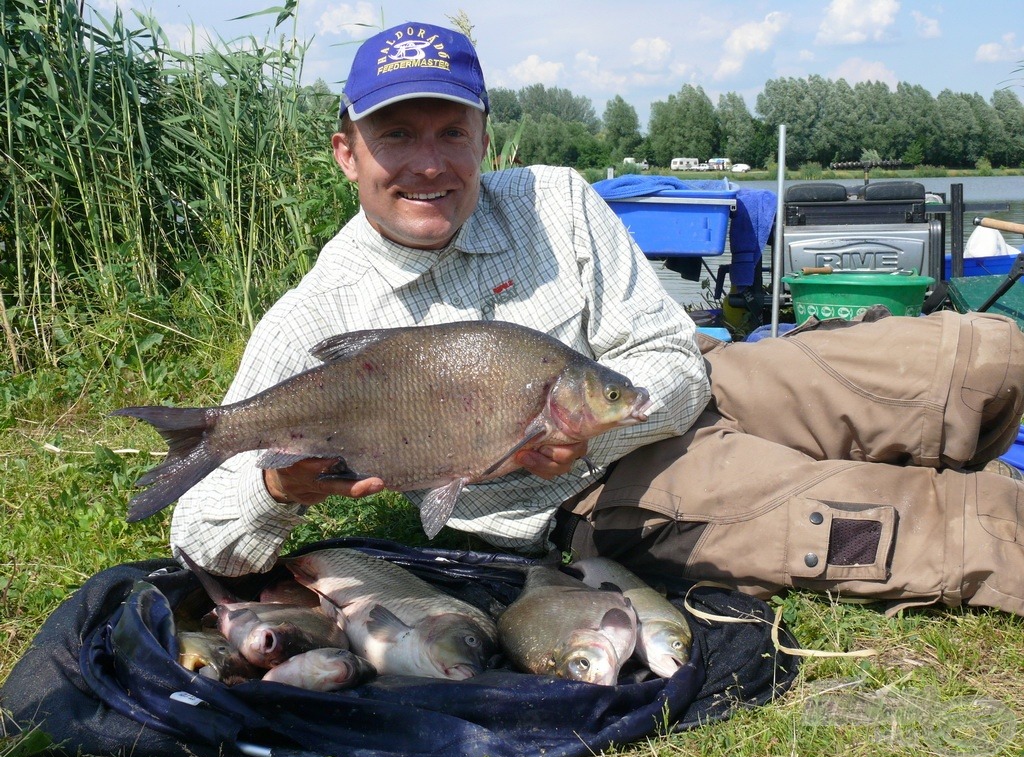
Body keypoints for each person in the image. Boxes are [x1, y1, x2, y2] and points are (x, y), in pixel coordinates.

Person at [170, 21, 1024, 619]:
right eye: (396, 136)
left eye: (451, 131)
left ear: (483, 139)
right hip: (585, 497)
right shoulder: (316, 315)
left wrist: (598, 421)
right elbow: (198, 535)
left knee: (978, 357)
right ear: (347, 151)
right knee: (894, 517)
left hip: (669, 398)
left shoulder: (558, 201)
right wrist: (278, 487)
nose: (428, 164)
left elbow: (667, 354)